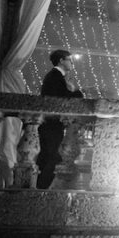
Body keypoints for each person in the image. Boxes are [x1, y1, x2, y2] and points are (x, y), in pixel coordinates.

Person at [36, 50, 84, 189]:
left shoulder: (53, 76)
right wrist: (76, 91)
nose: (72, 62)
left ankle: (38, 186)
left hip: (49, 123)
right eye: (69, 59)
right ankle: (41, 188)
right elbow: (65, 99)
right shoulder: (55, 77)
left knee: (46, 156)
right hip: (52, 124)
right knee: (53, 157)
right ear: (61, 60)